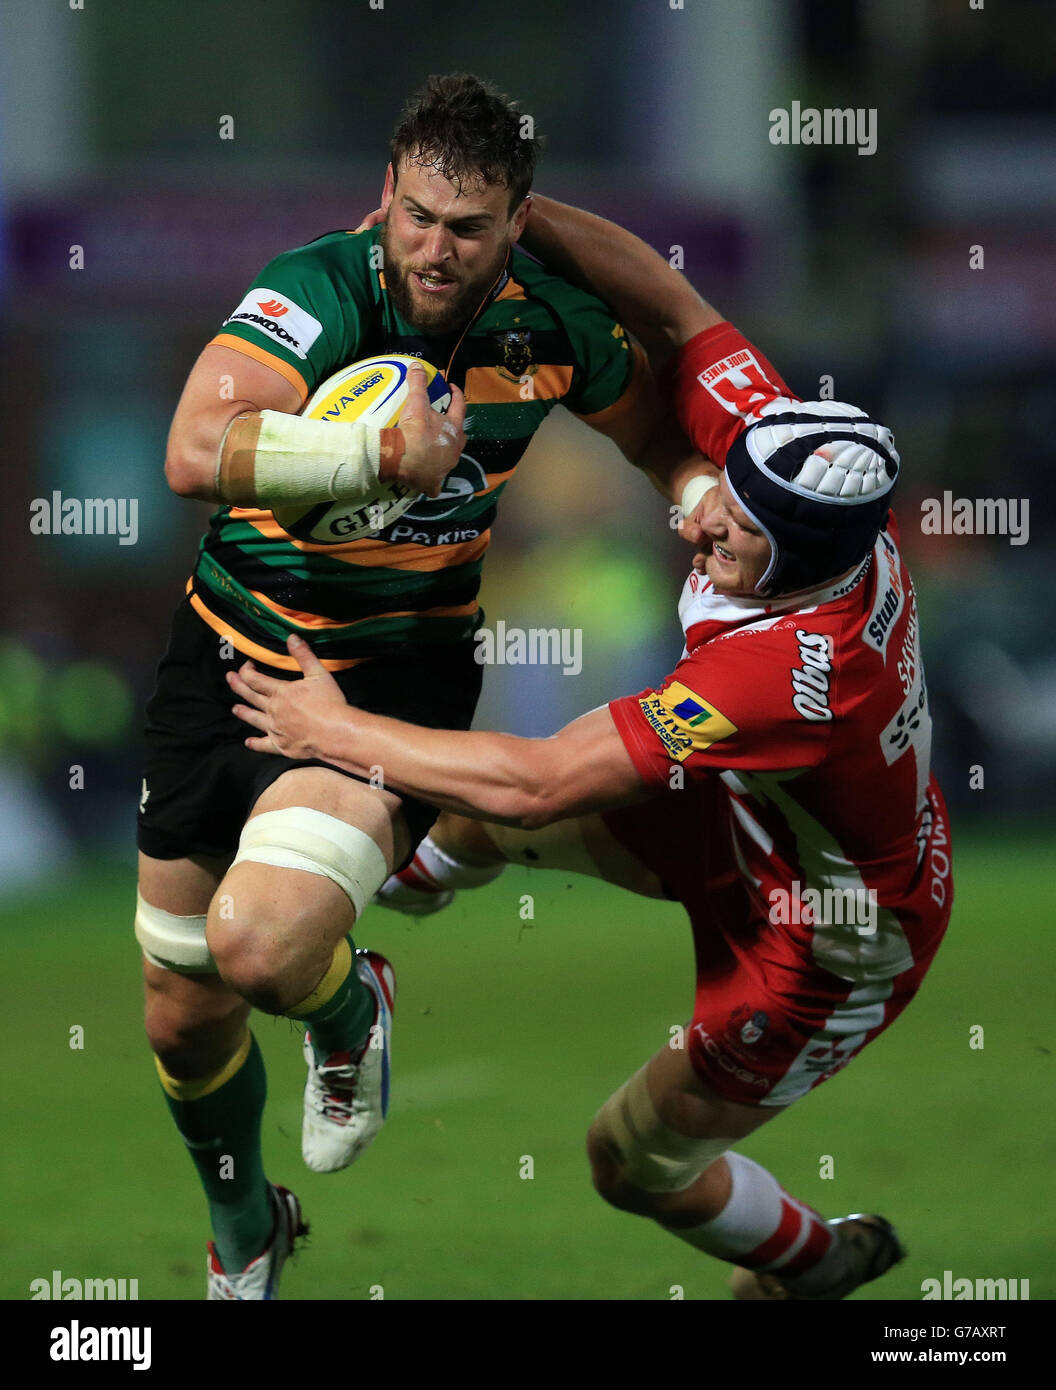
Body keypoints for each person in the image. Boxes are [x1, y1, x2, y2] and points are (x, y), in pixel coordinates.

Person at [228, 196, 954, 1300]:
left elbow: (542, 784)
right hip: (747, 819)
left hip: (829, 937)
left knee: (630, 1162)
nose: (699, 518)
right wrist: (516, 221)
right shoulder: (789, 464)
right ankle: (354, 930)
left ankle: (809, 1262)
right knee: (465, 813)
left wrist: (331, 730)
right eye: (719, 492)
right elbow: (670, 299)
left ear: (800, 562)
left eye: (735, 530)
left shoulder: (798, 671)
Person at [137, 82, 701, 1300]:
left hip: (394, 671)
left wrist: (699, 494)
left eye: (468, 225)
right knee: (180, 1013)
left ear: (516, 225)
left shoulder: (551, 322)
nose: (434, 247)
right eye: (418, 214)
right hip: (226, 653)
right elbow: (193, 449)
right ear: (386, 192)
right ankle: (247, 1225)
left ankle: (350, 1010)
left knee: (260, 951)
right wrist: (366, 455)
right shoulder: (317, 289)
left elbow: (659, 436)